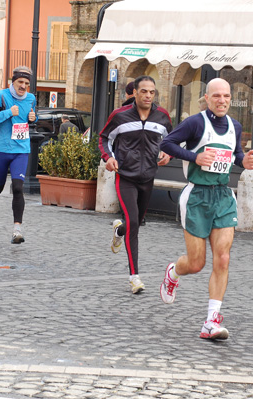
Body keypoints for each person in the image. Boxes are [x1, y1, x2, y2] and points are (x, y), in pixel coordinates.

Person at [158, 78, 253, 340]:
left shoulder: (234, 126)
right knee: (196, 263)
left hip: (223, 195)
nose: (222, 100)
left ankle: (211, 321)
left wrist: (244, 160)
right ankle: (173, 272)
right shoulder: (195, 122)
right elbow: (166, 144)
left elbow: (235, 154)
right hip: (197, 196)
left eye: (226, 96)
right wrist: (195, 157)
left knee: (223, 258)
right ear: (206, 98)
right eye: (217, 96)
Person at [99, 75, 172, 294]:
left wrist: (168, 153)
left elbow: (172, 140)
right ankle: (134, 277)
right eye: (144, 91)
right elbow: (104, 138)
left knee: (135, 223)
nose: (148, 95)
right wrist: (108, 158)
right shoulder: (120, 116)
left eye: (152, 92)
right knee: (133, 222)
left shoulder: (162, 117)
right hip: (126, 176)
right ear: (135, 93)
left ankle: (119, 231)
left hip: (148, 177)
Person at [0, 66, 37, 244]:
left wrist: (32, 118)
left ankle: (17, 230)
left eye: (27, 83)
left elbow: (31, 117)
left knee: (18, 188)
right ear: (12, 81)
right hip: (1, 148)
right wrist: (8, 113)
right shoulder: (0, 96)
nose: (23, 86)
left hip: (21, 149)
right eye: (20, 82)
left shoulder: (31, 99)